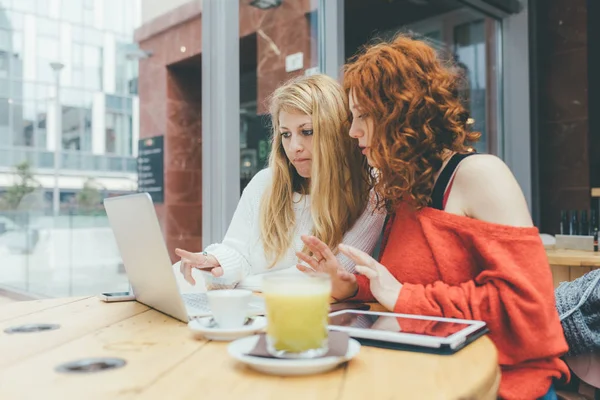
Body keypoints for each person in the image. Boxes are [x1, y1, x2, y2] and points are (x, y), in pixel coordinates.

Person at [297, 36, 568, 399]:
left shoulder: (480, 175)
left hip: (495, 383)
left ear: (401, 112)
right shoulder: (404, 192)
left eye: (363, 115)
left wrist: (404, 297)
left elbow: (527, 307)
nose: (352, 131)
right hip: (423, 373)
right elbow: (403, 285)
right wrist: (351, 286)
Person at [176, 74, 385, 290]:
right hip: (257, 312)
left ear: (337, 132)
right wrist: (215, 261)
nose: (294, 146)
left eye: (307, 132)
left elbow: (327, 279)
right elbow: (237, 252)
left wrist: (242, 284)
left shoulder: (371, 192)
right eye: (286, 134)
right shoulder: (264, 182)